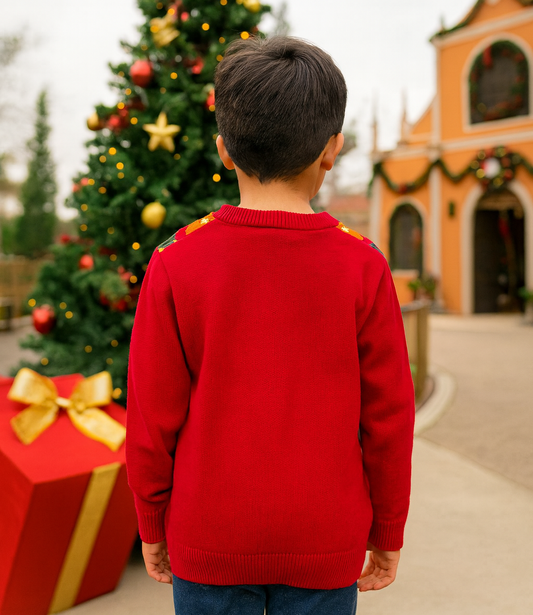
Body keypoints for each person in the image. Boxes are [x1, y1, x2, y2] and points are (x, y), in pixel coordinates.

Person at [125, 35, 415, 615]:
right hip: (325, 537)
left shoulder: (175, 260)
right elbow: (388, 417)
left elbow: (152, 412)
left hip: (208, 533)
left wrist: (152, 521)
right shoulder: (363, 264)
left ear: (224, 150)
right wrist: (386, 530)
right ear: (332, 149)